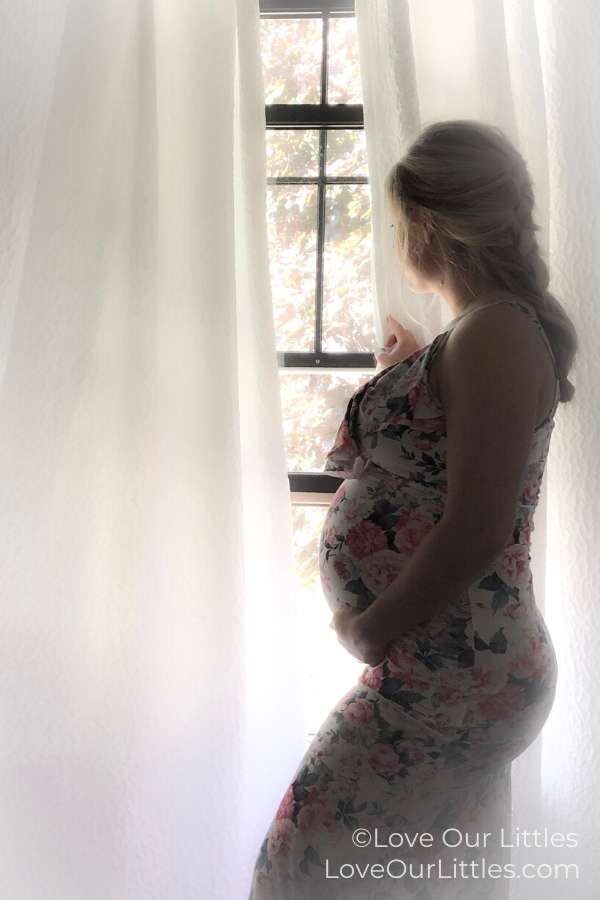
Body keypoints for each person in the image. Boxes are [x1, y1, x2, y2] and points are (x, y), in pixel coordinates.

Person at [247, 120, 578, 900]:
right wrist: (410, 371)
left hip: (450, 679)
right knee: (424, 887)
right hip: (451, 674)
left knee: (302, 872)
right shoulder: (483, 333)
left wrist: (372, 625)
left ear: (429, 223)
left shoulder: (496, 332)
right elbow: (451, 451)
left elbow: (477, 523)